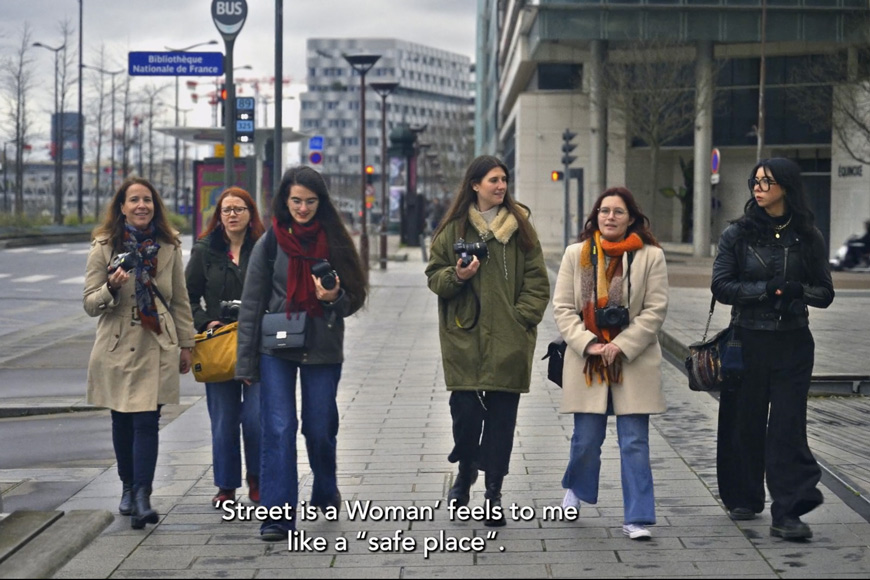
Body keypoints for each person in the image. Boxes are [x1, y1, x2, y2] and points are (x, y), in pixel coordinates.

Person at [236, 166, 367, 542]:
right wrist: (246, 363)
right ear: (285, 200)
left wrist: (335, 298)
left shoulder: (336, 239)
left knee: (319, 427)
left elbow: (355, 297)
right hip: (276, 345)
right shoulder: (271, 241)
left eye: (310, 201)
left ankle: (326, 488)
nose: (303, 208)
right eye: (296, 200)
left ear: (320, 202)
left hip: (323, 345)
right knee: (278, 427)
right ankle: (277, 515)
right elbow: (251, 304)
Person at [712, 157, 834, 541]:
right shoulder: (738, 234)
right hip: (748, 339)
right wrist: (764, 290)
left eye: (766, 181)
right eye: (755, 180)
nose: (758, 187)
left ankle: (789, 511)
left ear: (786, 186)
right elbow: (721, 285)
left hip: (794, 343)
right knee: (744, 422)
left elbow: (825, 292)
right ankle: (744, 497)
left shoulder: (808, 235)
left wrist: (798, 291)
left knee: (787, 428)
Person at [425, 155, 549, 527]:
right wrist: (458, 275)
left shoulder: (521, 228)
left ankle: (493, 493)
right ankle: (466, 471)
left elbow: (537, 282)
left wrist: (520, 318)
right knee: (465, 411)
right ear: (475, 185)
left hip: (510, 339)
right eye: (493, 180)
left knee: (501, 421)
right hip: (464, 336)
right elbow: (435, 277)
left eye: (504, 179)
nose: (501, 186)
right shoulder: (454, 230)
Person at [553, 186, 668, 541]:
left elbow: (655, 310)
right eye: (604, 211)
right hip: (588, 362)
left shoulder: (650, 256)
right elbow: (562, 308)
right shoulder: (576, 254)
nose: (610, 217)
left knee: (634, 441)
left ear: (631, 218)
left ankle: (637, 517)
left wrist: (621, 345)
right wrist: (590, 344)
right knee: (586, 439)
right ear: (595, 216)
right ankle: (575, 489)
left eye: (618, 212)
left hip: (633, 361)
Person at [83, 177, 196, 529]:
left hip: (156, 340)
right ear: (122, 207)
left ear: (155, 206)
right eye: (134, 200)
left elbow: (179, 299)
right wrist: (111, 287)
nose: (141, 206)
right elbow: (89, 303)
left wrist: (187, 345)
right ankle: (128, 487)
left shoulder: (169, 246)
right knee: (123, 420)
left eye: (147, 200)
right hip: (116, 342)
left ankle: (144, 495)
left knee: (148, 420)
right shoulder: (104, 246)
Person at [185, 187, 266, 508]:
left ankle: (257, 480)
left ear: (251, 214)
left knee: (257, 417)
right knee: (224, 420)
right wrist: (205, 322)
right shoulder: (205, 250)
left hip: (256, 343)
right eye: (226, 209)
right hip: (218, 345)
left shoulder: (264, 248)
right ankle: (226, 486)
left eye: (239, 208)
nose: (232, 214)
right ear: (218, 216)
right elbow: (187, 297)